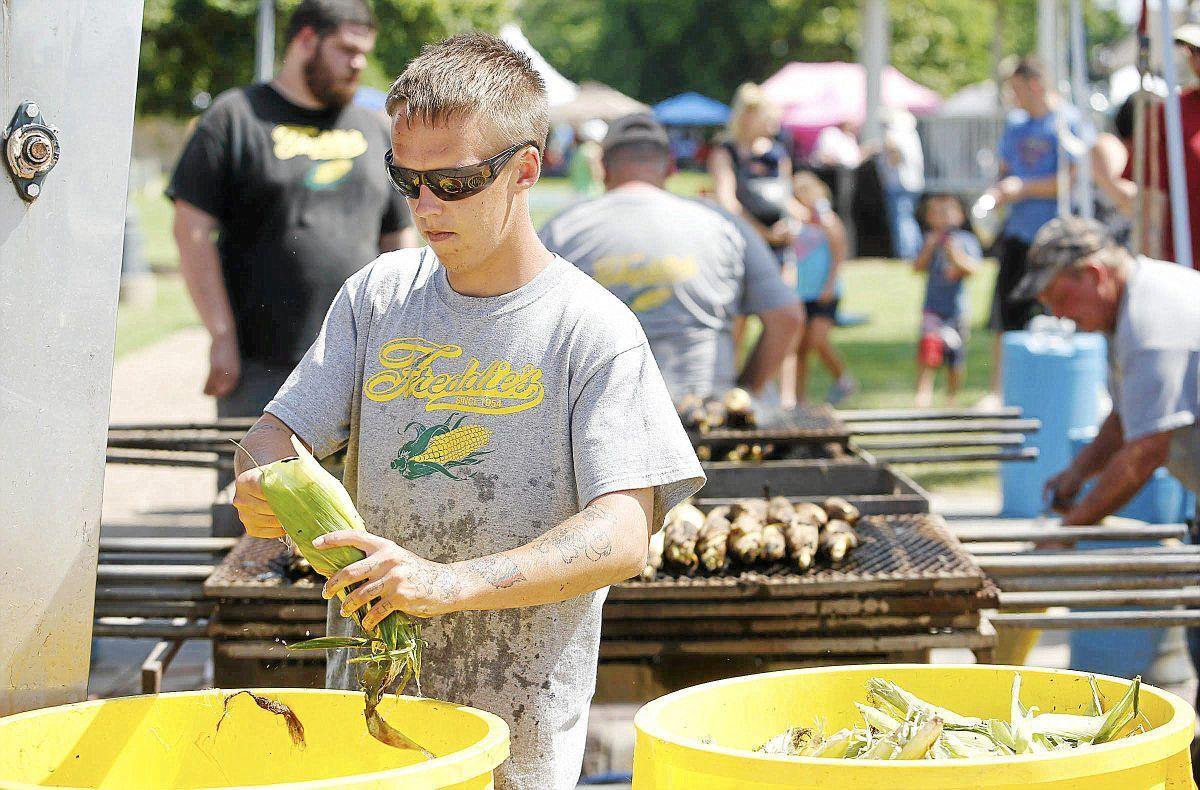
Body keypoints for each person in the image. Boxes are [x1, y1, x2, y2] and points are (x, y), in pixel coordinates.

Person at [230, 33, 704, 790]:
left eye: (451, 183)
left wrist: (447, 583)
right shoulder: (376, 298)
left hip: (518, 745)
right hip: (371, 733)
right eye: (406, 180)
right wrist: (260, 484)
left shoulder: (591, 329)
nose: (423, 206)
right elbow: (271, 439)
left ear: (523, 170)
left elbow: (622, 534)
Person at [168, 0, 415, 468]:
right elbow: (191, 231)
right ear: (305, 40)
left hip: (360, 365)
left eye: (364, 52)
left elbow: (398, 239)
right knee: (250, 512)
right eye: (345, 49)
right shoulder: (235, 116)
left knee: (346, 521)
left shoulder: (374, 128)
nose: (358, 62)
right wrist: (221, 334)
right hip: (262, 363)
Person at [539, 113, 804, 403]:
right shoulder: (723, 225)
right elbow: (787, 317)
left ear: (603, 167)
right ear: (670, 167)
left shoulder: (562, 231)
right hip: (704, 418)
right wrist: (743, 393)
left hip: (598, 419)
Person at [983, 55, 1088, 402]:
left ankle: (1053, 393)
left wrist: (1024, 187)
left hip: (1056, 238)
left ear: (1035, 85)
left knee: (1057, 313)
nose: (1013, 98)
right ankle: (999, 392)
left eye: (1016, 89)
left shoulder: (1068, 121)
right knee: (1005, 316)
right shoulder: (1016, 126)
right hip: (1018, 234)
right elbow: (1005, 167)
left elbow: (1074, 180)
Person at [708, 82, 795, 263]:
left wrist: (793, 225)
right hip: (742, 244)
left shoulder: (777, 153)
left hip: (780, 244)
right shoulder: (725, 153)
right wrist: (764, 234)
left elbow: (787, 197)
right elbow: (727, 203)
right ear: (747, 115)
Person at [790, 172, 856, 406]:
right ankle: (799, 398)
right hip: (800, 291)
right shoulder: (796, 222)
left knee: (818, 339)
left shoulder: (828, 220)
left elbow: (839, 253)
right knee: (800, 348)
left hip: (824, 290)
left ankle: (843, 379)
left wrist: (830, 283)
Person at [1139, 23, 1200, 269]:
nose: (1193, 58)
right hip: (1187, 264)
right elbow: (1153, 194)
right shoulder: (1171, 112)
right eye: (1192, 51)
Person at [913, 194, 982, 407]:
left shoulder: (966, 241)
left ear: (960, 216)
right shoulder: (929, 240)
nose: (942, 218)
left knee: (955, 357)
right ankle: (923, 393)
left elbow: (973, 269)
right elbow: (917, 267)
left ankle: (951, 396)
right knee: (928, 347)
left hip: (956, 310)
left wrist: (954, 254)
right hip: (933, 307)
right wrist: (929, 248)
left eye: (947, 213)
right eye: (936, 213)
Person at [879, 109, 926, 260]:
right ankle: (916, 251)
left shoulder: (893, 133)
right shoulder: (911, 133)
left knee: (902, 219)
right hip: (914, 182)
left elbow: (893, 155)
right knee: (909, 218)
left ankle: (907, 253)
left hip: (899, 183)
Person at [566, 118, 606, 198]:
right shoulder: (594, 150)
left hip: (578, 191)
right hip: (592, 193)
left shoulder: (581, 149)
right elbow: (597, 174)